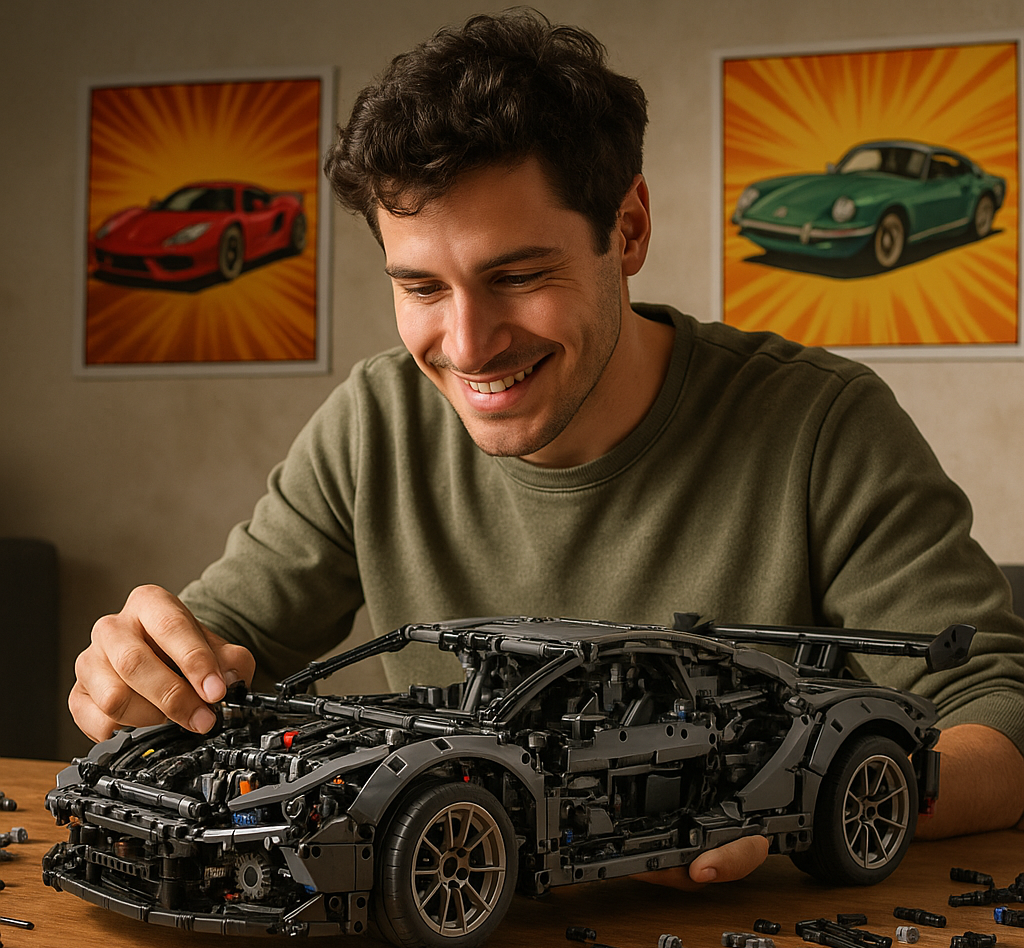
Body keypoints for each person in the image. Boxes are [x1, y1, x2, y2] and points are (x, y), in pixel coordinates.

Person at [71, 10, 1024, 887]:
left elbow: (1001, 721)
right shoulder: (375, 420)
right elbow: (215, 652)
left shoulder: (825, 424)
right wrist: (144, 674)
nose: (469, 343)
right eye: (422, 289)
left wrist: (804, 810)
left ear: (630, 228)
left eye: (519, 275)